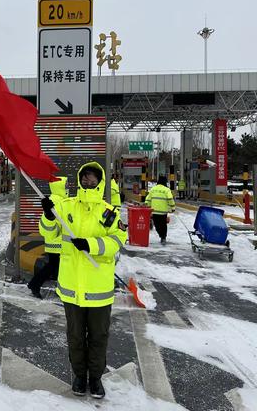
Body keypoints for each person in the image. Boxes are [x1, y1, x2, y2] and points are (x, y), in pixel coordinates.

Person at [39, 162, 127, 399]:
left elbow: (118, 240)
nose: (89, 181)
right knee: (75, 336)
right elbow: (48, 233)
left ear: (100, 182)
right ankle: (79, 376)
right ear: (80, 180)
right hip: (71, 288)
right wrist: (48, 216)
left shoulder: (109, 212)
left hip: (99, 289)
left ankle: (96, 379)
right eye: (85, 177)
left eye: (93, 178)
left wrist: (91, 245)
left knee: (98, 337)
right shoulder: (66, 207)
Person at [27, 176, 69, 299]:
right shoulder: (56, 200)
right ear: (59, 186)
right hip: (57, 243)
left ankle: (35, 284)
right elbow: (50, 223)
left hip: (57, 242)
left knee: (55, 267)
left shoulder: (59, 199)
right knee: (54, 267)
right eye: (65, 185)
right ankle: (35, 284)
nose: (68, 187)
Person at [145, 175, 175, 244]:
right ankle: (163, 237)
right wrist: (173, 208)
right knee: (163, 225)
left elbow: (148, 199)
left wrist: (147, 207)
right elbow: (170, 199)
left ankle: (161, 235)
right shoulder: (167, 190)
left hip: (154, 211)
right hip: (163, 212)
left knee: (157, 225)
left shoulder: (153, 189)